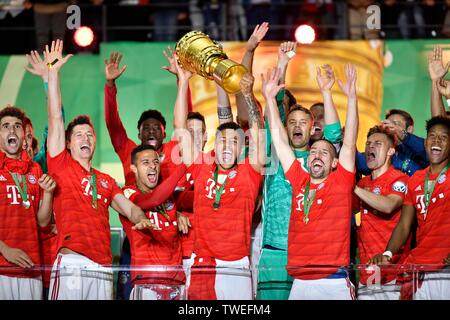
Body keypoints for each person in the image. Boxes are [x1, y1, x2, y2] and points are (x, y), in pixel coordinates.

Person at [45, 40, 154, 300]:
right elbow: (55, 118)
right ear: (68, 144)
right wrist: (53, 73)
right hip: (72, 264)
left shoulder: (105, 180)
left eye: (89, 134)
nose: (85, 138)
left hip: (103, 267)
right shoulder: (60, 164)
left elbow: (128, 208)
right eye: (79, 135)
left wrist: (141, 218)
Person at [172, 54, 265, 300]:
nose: (226, 145)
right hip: (203, 263)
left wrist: (246, 93)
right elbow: (180, 128)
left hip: (236, 266)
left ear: (241, 148)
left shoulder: (250, 171)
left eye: (234, 141)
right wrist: (182, 83)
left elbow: (258, 134)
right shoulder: (203, 167)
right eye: (222, 139)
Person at [266, 63, 358, 300]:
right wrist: (268, 98)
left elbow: (348, 142)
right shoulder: (298, 179)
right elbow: (278, 137)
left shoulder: (342, 182)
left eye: (325, 153)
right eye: (314, 152)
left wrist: (351, 97)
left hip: (334, 282)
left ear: (335, 163)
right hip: (301, 283)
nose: (316, 155)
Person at [370, 116, 450, 300]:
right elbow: (404, 225)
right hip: (420, 265)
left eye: (444, 137)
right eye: (432, 135)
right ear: (426, 141)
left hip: (446, 267)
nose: (436, 140)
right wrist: (387, 254)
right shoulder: (416, 179)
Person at [121, 144, 193, 300]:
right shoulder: (128, 193)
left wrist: (179, 213)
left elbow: (198, 199)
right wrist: (183, 167)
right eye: (145, 162)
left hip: (176, 283)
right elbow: (153, 199)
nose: (153, 165)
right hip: (147, 284)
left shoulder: (170, 197)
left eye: (155, 161)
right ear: (134, 168)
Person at [0, 106, 56, 300]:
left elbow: (42, 222)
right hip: (2, 269)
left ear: (24, 135)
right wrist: (5, 250)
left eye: (17, 126)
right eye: (5, 126)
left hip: (32, 268)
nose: (12, 130)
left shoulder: (35, 170)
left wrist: (48, 193)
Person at [353, 125, 410, 300]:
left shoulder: (400, 179)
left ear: (391, 151)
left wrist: (352, 187)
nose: (370, 146)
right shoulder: (363, 184)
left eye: (378, 143)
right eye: (368, 143)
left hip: (392, 271)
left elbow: (388, 205)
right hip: (368, 269)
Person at [357, 108, 428, 176]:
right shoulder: (379, 153)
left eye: (396, 124)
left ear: (409, 129)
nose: (390, 127)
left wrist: (402, 134)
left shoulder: (418, 152)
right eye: (387, 123)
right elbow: (356, 159)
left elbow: (427, 150)